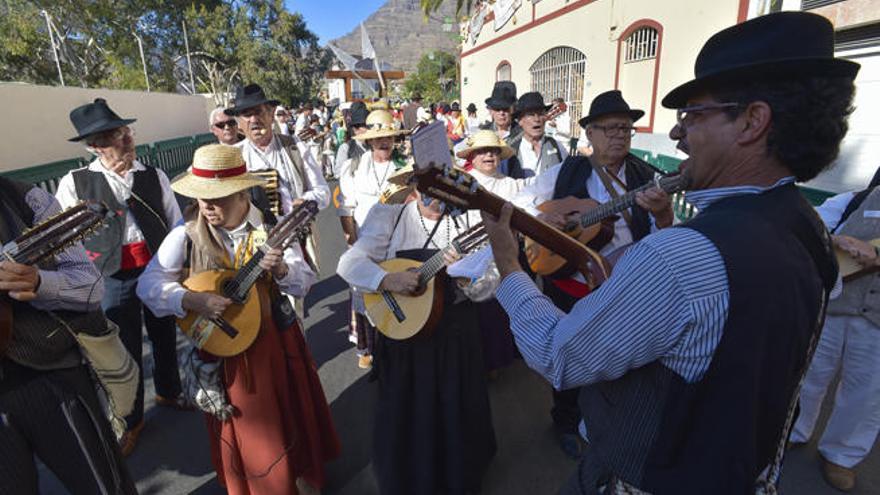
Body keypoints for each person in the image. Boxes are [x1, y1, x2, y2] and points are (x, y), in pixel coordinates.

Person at [481, 12, 855, 493]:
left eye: (693, 115)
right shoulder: (810, 229)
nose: (677, 135)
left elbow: (558, 356)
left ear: (752, 121)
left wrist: (509, 266)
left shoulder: (680, 258)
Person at [137, 144, 340, 495]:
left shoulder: (272, 227)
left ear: (242, 191)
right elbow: (148, 284)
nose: (207, 207)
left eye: (217, 198)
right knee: (244, 430)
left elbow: (303, 280)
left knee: (288, 413)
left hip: (273, 340)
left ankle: (299, 477)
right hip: (222, 348)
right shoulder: (184, 234)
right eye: (202, 198)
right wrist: (190, 298)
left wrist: (280, 268)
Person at [510, 89, 673, 459]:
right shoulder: (567, 171)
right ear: (590, 133)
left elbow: (668, 234)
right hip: (571, 282)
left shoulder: (645, 175)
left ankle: (609, 422)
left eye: (626, 129)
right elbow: (519, 201)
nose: (619, 136)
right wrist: (543, 217)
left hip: (625, 285)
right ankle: (566, 421)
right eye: (610, 128)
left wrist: (663, 215)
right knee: (569, 356)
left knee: (620, 360)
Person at [337, 187, 497, 495]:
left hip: (455, 335)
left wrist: (471, 283)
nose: (436, 199)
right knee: (407, 410)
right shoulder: (390, 217)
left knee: (456, 408)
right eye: (428, 189)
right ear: (415, 187)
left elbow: (490, 281)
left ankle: (457, 479)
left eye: (443, 191)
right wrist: (387, 279)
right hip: (404, 338)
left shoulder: (468, 223)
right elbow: (348, 264)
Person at [56, 98, 185, 456]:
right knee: (124, 349)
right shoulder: (75, 183)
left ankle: (169, 390)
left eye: (126, 132)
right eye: (116, 136)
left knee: (163, 331)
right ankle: (131, 419)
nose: (127, 140)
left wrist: (180, 265)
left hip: (156, 266)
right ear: (95, 146)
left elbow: (175, 223)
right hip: (111, 276)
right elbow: (65, 237)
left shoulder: (152, 174)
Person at [0, 177, 137, 494]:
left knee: (104, 487)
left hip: (51, 379)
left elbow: (90, 288)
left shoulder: (26, 200)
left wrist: (38, 282)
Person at [790, 174, 880, 492]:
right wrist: (834, 240)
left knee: (867, 391)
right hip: (836, 305)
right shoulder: (855, 200)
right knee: (810, 372)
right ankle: (794, 430)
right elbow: (806, 228)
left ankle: (841, 456)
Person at [338, 108, 411, 368]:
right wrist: (352, 238)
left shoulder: (405, 166)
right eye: (379, 137)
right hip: (364, 238)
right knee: (365, 289)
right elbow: (346, 207)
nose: (384, 142)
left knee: (394, 286)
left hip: (398, 238)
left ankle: (395, 343)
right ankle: (367, 348)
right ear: (368, 140)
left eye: (389, 137)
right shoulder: (354, 167)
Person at [456, 130, 524, 373]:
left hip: (502, 257)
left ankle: (496, 361)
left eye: (493, 151)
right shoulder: (461, 181)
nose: (488, 155)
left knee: (498, 312)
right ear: (472, 156)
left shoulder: (511, 184)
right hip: (465, 256)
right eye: (482, 151)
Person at [503, 91, 568, 181]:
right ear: (520, 121)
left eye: (541, 114)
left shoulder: (557, 146)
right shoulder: (511, 150)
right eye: (530, 115)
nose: (537, 119)